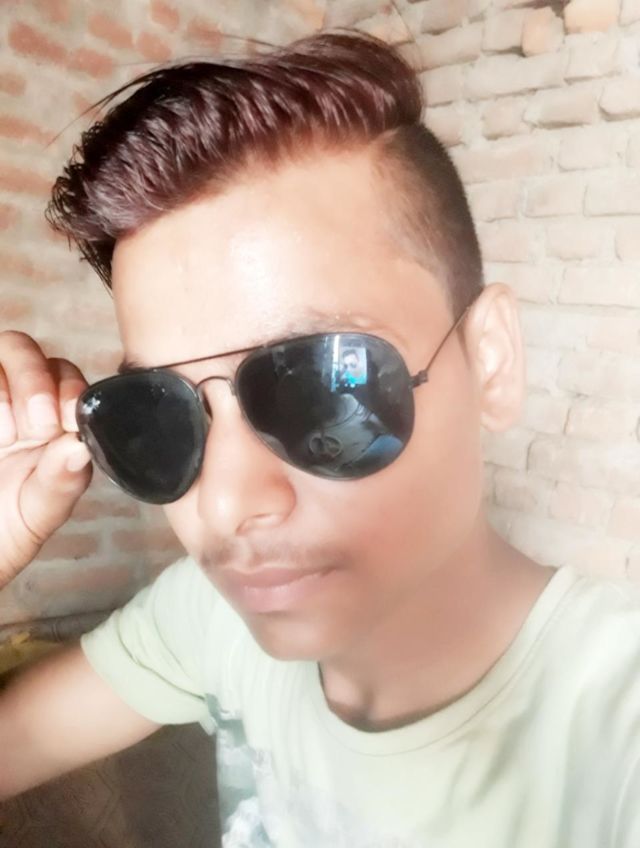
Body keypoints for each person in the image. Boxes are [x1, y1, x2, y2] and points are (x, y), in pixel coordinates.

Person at [0, 31, 639, 847]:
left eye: (322, 389)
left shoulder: (614, 729)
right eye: (156, 412)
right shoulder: (210, 616)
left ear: (491, 360)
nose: (229, 505)